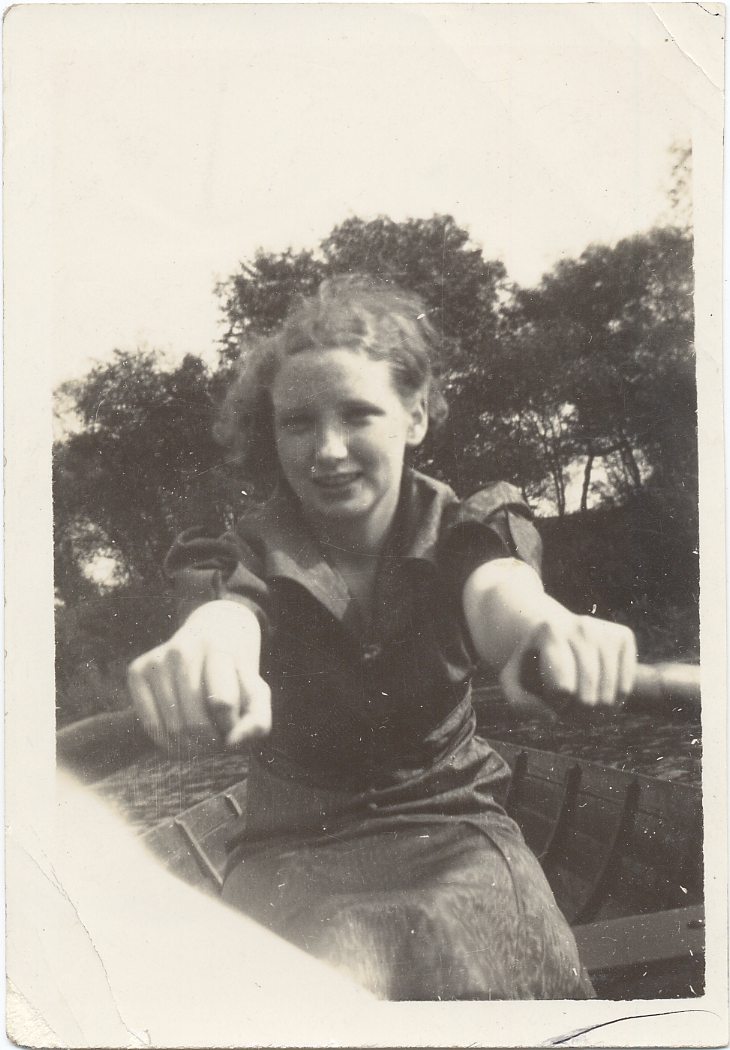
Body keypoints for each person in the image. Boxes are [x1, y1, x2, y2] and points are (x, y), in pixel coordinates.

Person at [128, 276, 636, 1000]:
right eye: (298, 423)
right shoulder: (243, 553)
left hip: (454, 826)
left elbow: (501, 591)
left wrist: (544, 626)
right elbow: (225, 616)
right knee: (319, 979)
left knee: (479, 953)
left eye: (358, 414)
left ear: (415, 415)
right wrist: (208, 645)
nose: (328, 450)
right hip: (289, 846)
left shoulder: (465, 531)